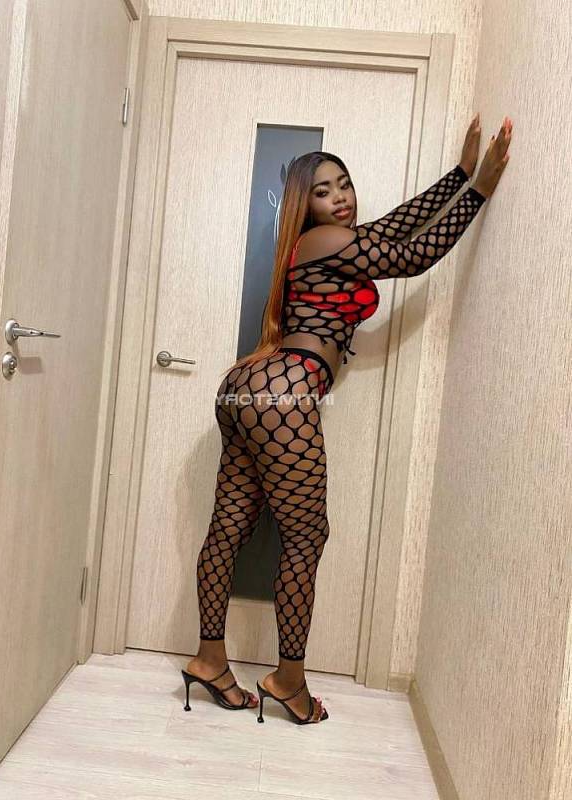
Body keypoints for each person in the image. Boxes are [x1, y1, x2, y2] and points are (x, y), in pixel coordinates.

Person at [182, 113, 513, 724]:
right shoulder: (326, 241)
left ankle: (208, 660)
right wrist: (481, 191)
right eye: (323, 191)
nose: (340, 197)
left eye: (345, 184)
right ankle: (288, 680)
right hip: (285, 388)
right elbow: (412, 256)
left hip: (250, 387)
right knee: (305, 536)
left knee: (230, 528)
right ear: (303, 205)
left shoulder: (327, 242)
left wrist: (458, 175)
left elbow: (394, 227)